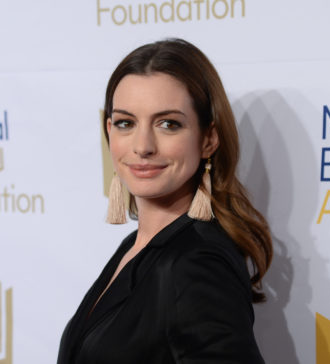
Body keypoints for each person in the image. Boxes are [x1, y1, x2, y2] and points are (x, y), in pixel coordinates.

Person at [57, 38, 273, 364]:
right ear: (109, 131)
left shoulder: (198, 262)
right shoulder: (136, 246)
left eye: (168, 124)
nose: (142, 145)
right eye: (126, 123)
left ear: (208, 139)